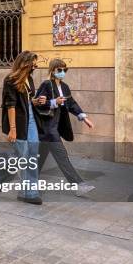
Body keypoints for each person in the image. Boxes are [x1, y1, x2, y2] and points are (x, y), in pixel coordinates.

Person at [36, 59, 95, 197]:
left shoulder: (65, 86)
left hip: (54, 128)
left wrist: (84, 117)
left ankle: (0, 176)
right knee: (62, 156)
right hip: (48, 129)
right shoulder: (46, 85)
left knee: (36, 161)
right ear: (52, 71)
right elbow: (37, 103)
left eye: (64, 70)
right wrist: (53, 102)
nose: (62, 73)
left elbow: (72, 103)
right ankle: (78, 185)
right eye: (59, 70)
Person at [1, 51, 45, 205]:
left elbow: (27, 101)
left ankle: (1, 174)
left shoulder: (30, 79)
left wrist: (36, 101)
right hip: (18, 122)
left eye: (35, 63)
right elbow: (11, 105)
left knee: (32, 153)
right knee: (24, 156)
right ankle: (29, 193)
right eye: (33, 63)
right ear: (24, 63)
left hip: (31, 119)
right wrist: (13, 129)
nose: (35, 66)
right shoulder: (10, 80)